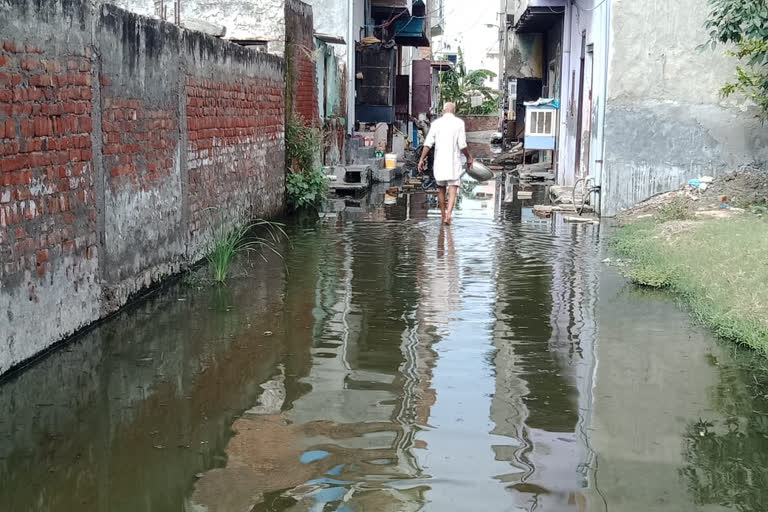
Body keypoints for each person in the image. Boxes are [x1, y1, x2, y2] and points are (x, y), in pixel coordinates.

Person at [417, 103, 473, 225]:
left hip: (440, 162)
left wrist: (421, 159)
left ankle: (443, 216)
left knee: (441, 189)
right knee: (453, 190)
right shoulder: (459, 123)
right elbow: (462, 145)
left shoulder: (436, 124)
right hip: (453, 162)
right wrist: (469, 157)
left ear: (443, 111)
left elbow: (428, 143)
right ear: (454, 111)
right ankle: (448, 215)